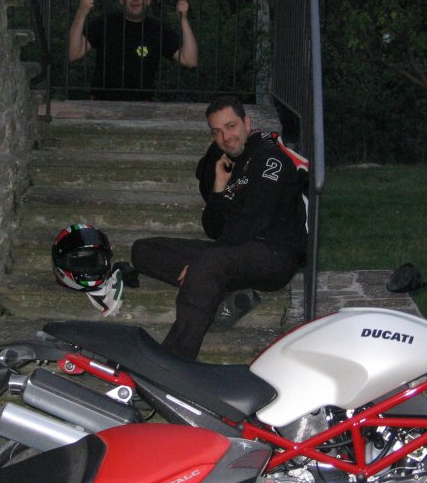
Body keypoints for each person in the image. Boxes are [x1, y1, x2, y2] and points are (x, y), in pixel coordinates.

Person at [131, 96, 307, 361]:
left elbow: (253, 222)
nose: (226, 137)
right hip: (235, 251)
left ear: (247, 124)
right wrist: (219, 188)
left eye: (231, 126)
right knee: (143, 249)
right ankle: (216, 289)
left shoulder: (270, 159)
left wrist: (205, 262)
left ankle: (174, 360)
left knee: (209, 262)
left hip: (274, 255)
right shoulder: (229, 165)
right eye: (217, 132)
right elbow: (213, 229)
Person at [67, 0, 198, 100]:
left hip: (142, 106)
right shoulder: (104, 23)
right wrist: (81, 12)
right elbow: (73, 53)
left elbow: (190, 60)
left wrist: (184, 19)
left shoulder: (157, 29)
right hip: (101, 104)